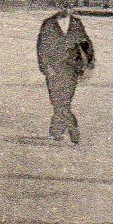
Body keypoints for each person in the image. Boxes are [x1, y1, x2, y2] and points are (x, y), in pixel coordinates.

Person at [36, 8, 94, 144]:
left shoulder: (76, 23)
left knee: (64, 100)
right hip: (54, 69)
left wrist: (89, 63)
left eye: (68, 7)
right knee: (57, 100)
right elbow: (41, 47)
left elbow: (85, 43)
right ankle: (71, 127)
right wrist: (46, 67)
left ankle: (57, 130)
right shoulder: (48, 24)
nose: (65, 10)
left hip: (71, 69)